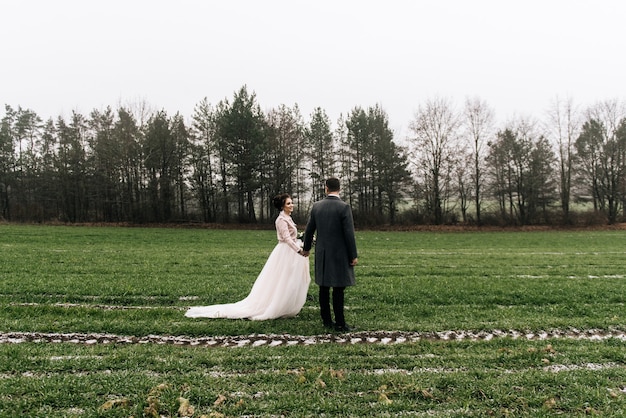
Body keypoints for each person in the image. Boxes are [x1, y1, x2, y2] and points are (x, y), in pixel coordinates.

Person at [185, 194, 310, 320]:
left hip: (291, 251)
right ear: (282, 206)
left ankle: (286, 305)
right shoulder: (281, 220)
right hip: (286, 252)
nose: (291, 205)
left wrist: (300, 239)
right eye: (288, 203)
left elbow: (292, 236)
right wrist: (299, 250)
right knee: (282, 279)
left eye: (291, 203)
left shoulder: (288, 218)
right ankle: (277, 305)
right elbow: (287, 239)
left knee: (290, 280)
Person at [302, 177, 358, 332]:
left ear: (326, 188)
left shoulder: (316, 206)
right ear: (339, 189)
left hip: (322, 253)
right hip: (340, 253)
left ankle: (326, 320)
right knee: (339, 288)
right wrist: (353, 254)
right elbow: (349, 234)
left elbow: (309, 230)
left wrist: (306, 248)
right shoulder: (344, 207)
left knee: (324, 287)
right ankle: (340, 323)